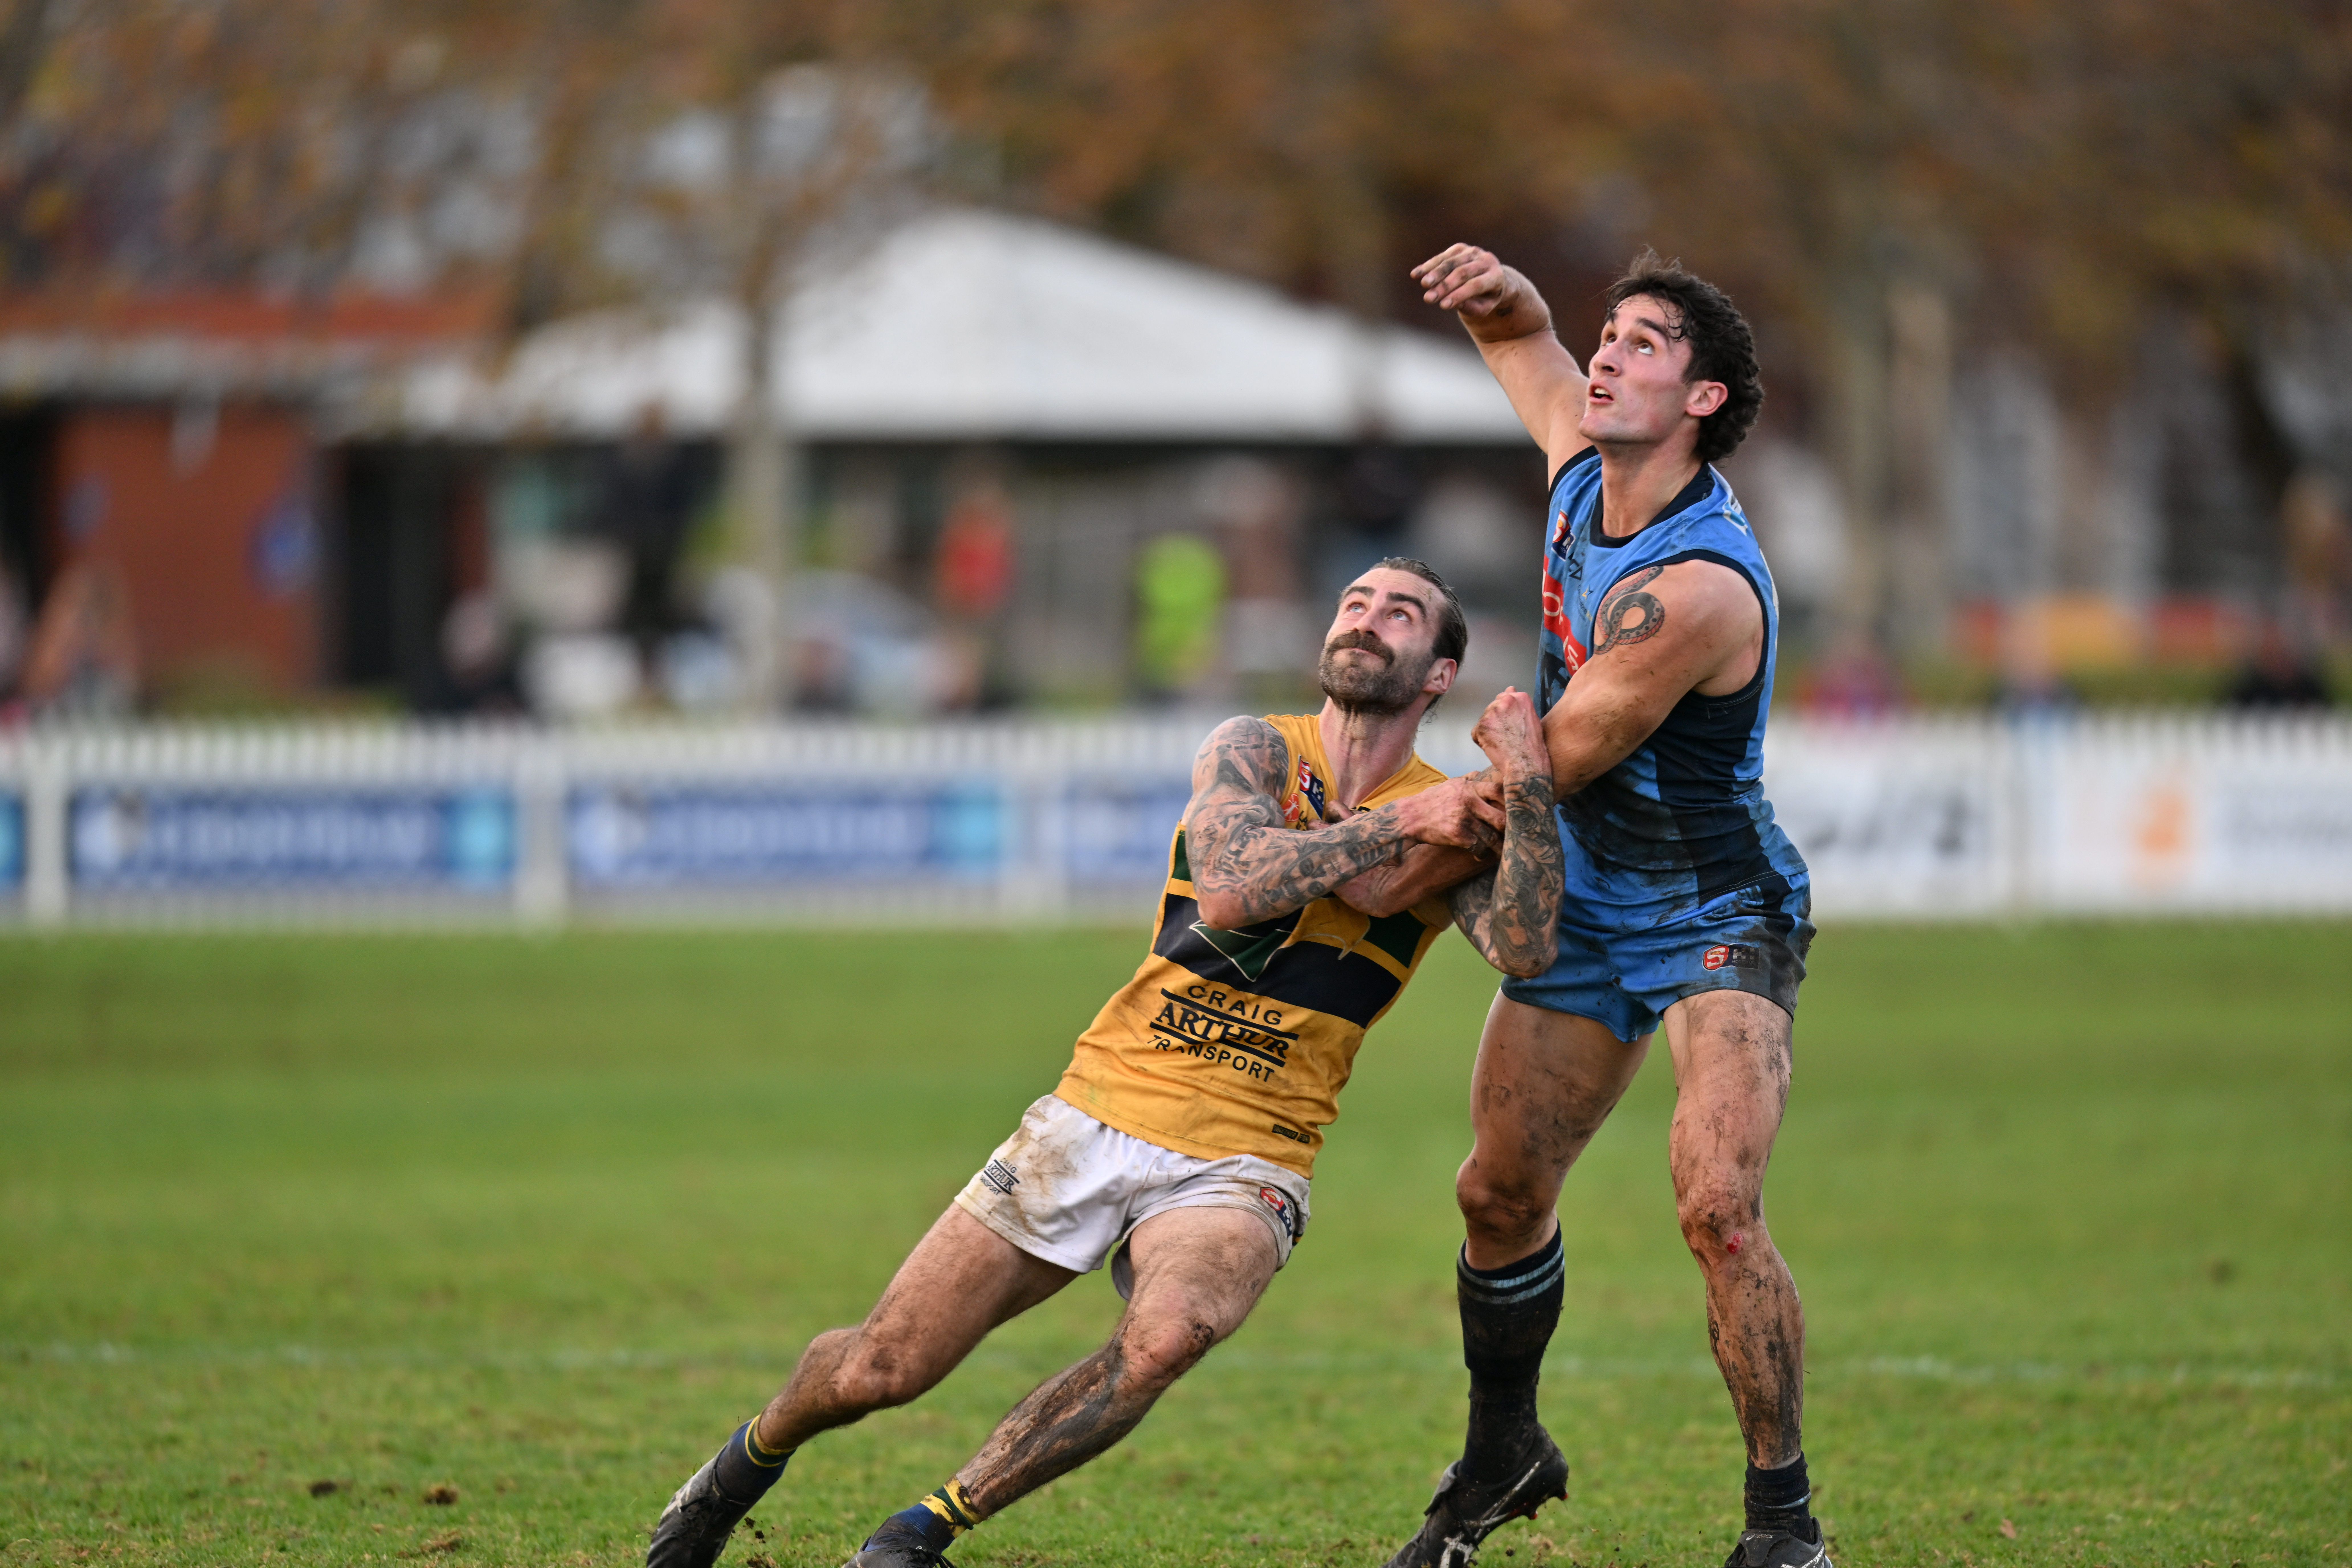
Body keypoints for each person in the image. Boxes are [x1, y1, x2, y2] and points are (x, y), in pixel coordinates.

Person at [648, 558, 1566, 1568]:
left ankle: (920, 1532)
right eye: (1355, 602)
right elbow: (1230, 888)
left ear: (1439, 675)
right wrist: (1399, 825)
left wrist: (1525, 780)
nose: (1366, 620)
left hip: (1253, 1153)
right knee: (882, 1368)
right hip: (1099, 1109)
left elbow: (1526, 950)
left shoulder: (1453, 817)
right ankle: (742, 1465)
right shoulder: (1257, 749)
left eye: (1400, 614)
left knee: (1166, 1339)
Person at [1393, 244, 1826, 1568]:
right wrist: (1502, 295)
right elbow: (1523, 345)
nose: (1608, 357)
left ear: (1702, 400)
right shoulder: (1584, 468)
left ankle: (1785, 1527)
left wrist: (1384, 821)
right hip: (1586, 897)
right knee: (1497, 1192)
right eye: (1611, 334)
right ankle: (1503, 1451)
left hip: (1714, 906)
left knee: (1717, 1206)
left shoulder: (1699, 586)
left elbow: (1561, 758)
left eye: (1644, 345)